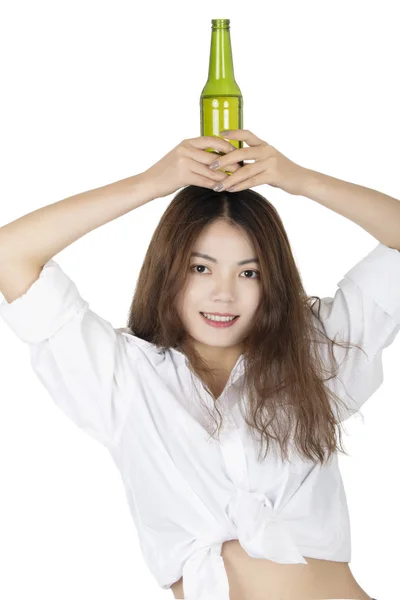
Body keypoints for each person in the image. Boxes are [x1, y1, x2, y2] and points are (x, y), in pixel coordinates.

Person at [0, 128, 396, 600]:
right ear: (169, 270)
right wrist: (152, 182)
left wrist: (298, 179)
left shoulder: (314, 355)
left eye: (249, 272)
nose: (223, 293)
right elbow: (11, 254)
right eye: (200, 267)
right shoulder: (124, 380)